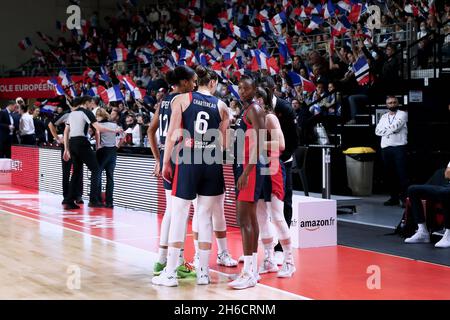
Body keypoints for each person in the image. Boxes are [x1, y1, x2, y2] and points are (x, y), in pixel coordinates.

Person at [153, 66, 229, 287]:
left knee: (179, 214)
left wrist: (165, 161)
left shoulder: (182, 100)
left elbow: (172, 135)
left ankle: (170, 273)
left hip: (188, 158)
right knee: (205, 217)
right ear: (212, 84)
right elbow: (224, 145)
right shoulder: (222, 106)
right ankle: (203, 273)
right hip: (212, 161)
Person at [147, 65, 198, 279]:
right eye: (193, 81)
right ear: (185, 82)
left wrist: (159, 159)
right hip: (181, 157)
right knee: (183, 212)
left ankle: (161, 260)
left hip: (166, 155)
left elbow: (151, 130)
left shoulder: (165, 100)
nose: (195, 84)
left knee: (171, 210)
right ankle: (177, 263)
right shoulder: (185, 100)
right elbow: (180, 134)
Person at [228, 76, 266, 290]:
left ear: (254, 89)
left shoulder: (255, 110)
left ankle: (249, 273)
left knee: (244, 220)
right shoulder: (247, 110)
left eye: (246, 88)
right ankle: (253, 270)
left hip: (249, 169)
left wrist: (247, 172)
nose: (242, 91)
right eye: (240, 88)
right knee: (250, 218)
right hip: (245, 167)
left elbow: (260, 143)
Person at [254, 87, 296, 278]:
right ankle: (269, 259)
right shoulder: (253, 118)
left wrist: (254, 143)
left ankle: (289, 261)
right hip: (258, 167)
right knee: (261, 216)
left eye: (258, 98)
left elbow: (281, 145)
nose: (255, 101)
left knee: (277, 216)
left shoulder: (270, 118)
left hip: (273, 167)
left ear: (264, 100)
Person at [63, 96, 121, 210]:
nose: (91, 105)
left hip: (72, 143)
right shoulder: (86, 112)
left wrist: (66, 148)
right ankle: (94, 200)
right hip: (82, 143)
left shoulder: (72, 114)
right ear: (87, 103)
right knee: (95, 169)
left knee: (76, 172)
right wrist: (114, 130)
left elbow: (66, 132)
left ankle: (69, 200)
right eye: (91, 103)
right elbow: (98, 128)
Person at [404, 162, 450, 248]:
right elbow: (447, 174)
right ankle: (423, 232)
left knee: (445, 193)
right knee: (413, 190)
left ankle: (449, 234)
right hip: (446, 185)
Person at [375, 96, 408, 207]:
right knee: (390, 175)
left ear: (397, 103)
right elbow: (377, 131)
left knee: (402, 174)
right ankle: (393, 198)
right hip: (386, 147)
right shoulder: (384, 116)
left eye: (394, 102)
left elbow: (396, 127)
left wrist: (386, 130)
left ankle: (404, 199)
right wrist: (389, 130)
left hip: (399, 147)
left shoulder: (402, 114)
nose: (392, 104)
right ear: (387, 105)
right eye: (390, 103)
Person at [48, 104, 83, 205]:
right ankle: (66, 196)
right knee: (66, 171)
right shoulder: (66, 114)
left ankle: (78, 195)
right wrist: (58, 139)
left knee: (78, 170)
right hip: (67, 144)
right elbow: (51, 124)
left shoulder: (82, 114)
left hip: (78, 144)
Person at [95, 108, 122, 209]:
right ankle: (109, 202)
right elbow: (123, 135)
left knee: (98, 175)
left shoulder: (99, 125)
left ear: (98, 116)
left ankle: (98, 200)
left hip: (102, 151)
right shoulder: (114, 125)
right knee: (110, 177)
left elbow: (98, 136)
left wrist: (98, 147)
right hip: (112, 151)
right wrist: (117, 145)